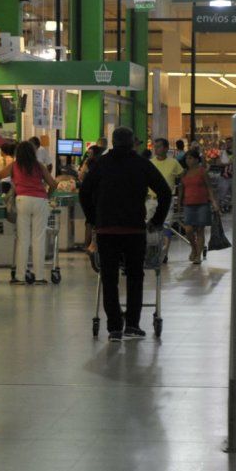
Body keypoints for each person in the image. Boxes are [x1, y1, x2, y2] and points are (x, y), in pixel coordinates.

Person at [80, 127, 172, 342]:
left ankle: (114, 327)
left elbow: (84, 192)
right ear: (132, 143)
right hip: (134, 230)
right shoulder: (141, 164)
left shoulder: (101, 164)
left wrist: (93, 218)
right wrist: (156, 221)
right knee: (134, 276)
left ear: (112, 142)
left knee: (109, 277)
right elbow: (165, 192)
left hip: (106, 230)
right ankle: (132, 324)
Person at [0, 141, 57, 284]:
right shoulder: (39, 166)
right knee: (38, 239)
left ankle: (20, 276)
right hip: (40, 201)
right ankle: (39, 277)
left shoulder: (15, 165)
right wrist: (47, 196)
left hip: (22, 200)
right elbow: (53, 184)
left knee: (23, 239)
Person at [181, 149, 221, 264]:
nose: (188, 160)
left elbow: (209, 187)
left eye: (190, 158)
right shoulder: (184, 173)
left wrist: (214, 202)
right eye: (187, 158)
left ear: (196, 159)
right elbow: (181, 188)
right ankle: (194, 248)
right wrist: (179, 203)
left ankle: (198, 255)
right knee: (188, 230)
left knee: (200, 230)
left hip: (202, 204)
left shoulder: (202, 171)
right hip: (188, 204)